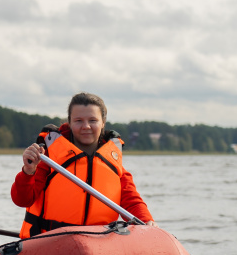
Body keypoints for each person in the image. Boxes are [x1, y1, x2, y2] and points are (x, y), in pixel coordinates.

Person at [11, 92, 156, 238]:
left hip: (100, 242)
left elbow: (132, 201)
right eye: (78, 120)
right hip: (52, 241)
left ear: (103, 122)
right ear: (70, 122)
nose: (86, 126)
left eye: (92, 120)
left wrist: (147, 221)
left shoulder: (113, 162)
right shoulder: (48, 158)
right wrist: (28, 171)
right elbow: (22, 200)